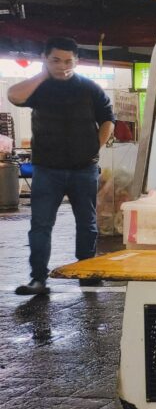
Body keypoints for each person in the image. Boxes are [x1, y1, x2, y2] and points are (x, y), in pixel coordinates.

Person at [7, 37, 114, 295]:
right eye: (55, 60)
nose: (62, 66)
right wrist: (43, 75)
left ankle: (86, 272)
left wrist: (94, 148)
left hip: (84, 169)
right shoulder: (39, 87)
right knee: (41, 224)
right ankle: (38, 279)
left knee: (87, 224)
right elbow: (13, 95)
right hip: (47, 169)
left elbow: (108, 119)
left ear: (76, 61)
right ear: (45, 58)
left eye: (68, 61)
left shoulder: (90, 88)